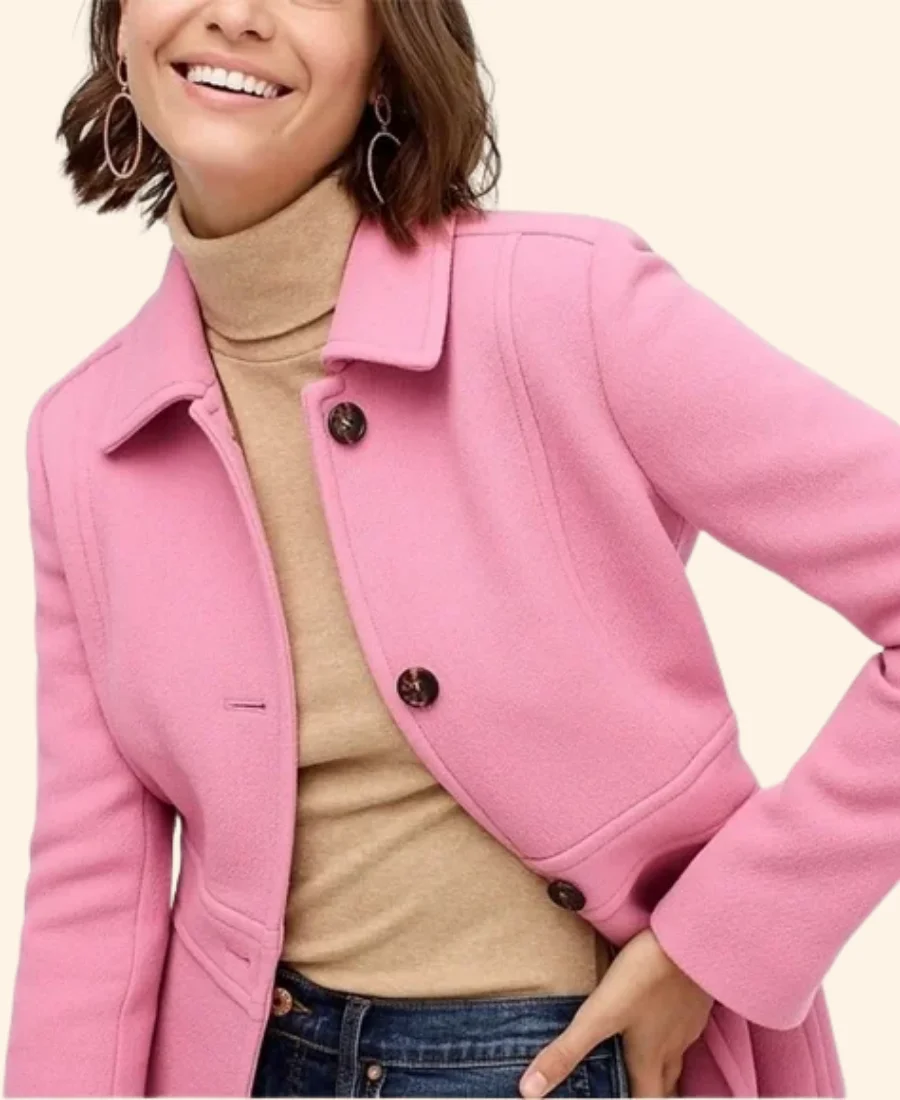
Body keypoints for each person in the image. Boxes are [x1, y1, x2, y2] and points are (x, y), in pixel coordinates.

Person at [6, 1, 896, 1098]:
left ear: (391, 57)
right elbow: (93, 882)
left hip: (557, 1056)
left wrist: (719, 939)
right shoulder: (83, 437)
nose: (235, 15)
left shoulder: (566, 301)